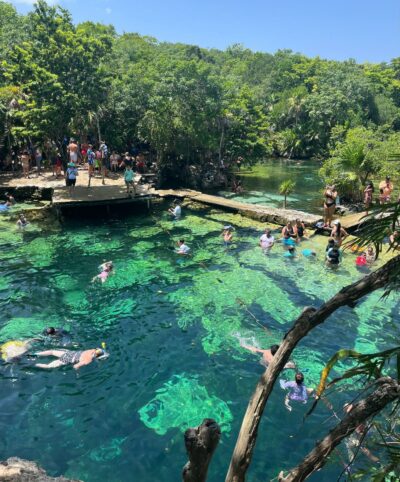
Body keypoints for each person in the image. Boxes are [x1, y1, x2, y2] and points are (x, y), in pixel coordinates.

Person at [35, 348, 107, 370]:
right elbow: (75, 366)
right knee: (48, 366)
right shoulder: (88, 360)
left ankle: (36, 354)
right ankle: (35, 364)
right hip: (68, 360)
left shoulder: (92, 350)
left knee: (51, 352)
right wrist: (78, 372)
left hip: (69, 353)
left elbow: (98, 351)